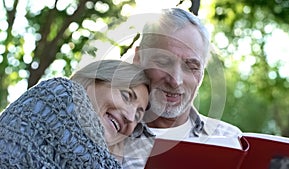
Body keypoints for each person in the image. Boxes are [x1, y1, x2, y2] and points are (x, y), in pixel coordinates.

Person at [121, 8, 243, 168]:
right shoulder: (109, 136)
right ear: (138, 58)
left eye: (191, 66)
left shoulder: (232, 140)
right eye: (164, 62)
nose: (176, 81)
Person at [0, 59, 149, 168]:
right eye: (126, 95)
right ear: (95, 80)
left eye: (137, 116)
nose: (130, 117)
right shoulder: (59, 93)